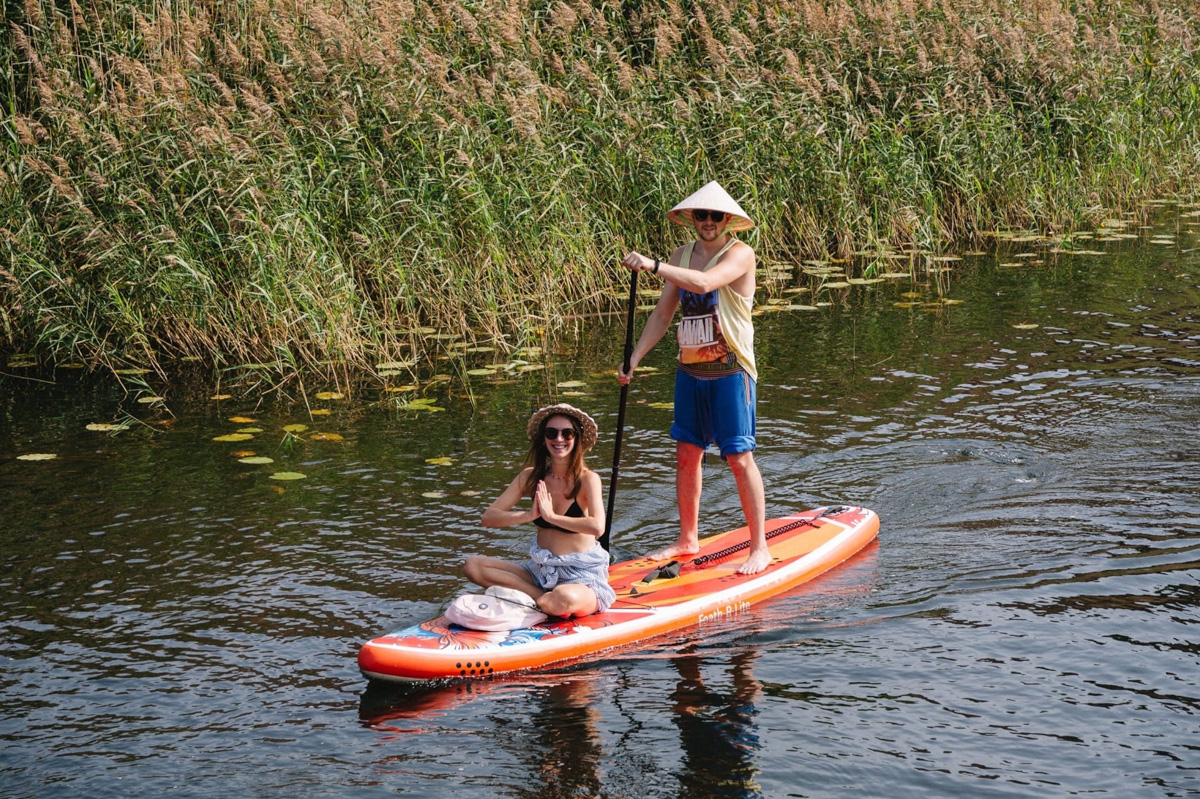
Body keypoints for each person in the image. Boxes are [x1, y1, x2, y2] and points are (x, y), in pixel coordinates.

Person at [617, 180, 770, 575]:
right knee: (686, 455)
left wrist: (651, 265)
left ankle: (759, 548)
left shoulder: (741, 253)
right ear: (691, 219)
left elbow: (703, 283)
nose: (707, 222)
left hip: (731, 371)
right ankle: (688, 537)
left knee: (738, 457)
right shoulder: (681, 255)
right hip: (690, 370)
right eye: (701, 215)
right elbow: (664, 314)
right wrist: (634, 357)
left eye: (715, 216)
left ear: (728, 220)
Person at [463, 404, 616, 617]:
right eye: (551, 433)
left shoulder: (588, 479)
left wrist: (551, 516)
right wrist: (529, 516)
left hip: (581, 577)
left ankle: (546, 601)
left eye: (567, 433)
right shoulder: (530, 476)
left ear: (576, 439)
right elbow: (489, 518)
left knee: (564, 598)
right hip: (540, 572)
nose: (559, 439)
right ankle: (540, 599)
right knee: (473, 566)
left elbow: (597, 527)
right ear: (543, 439)